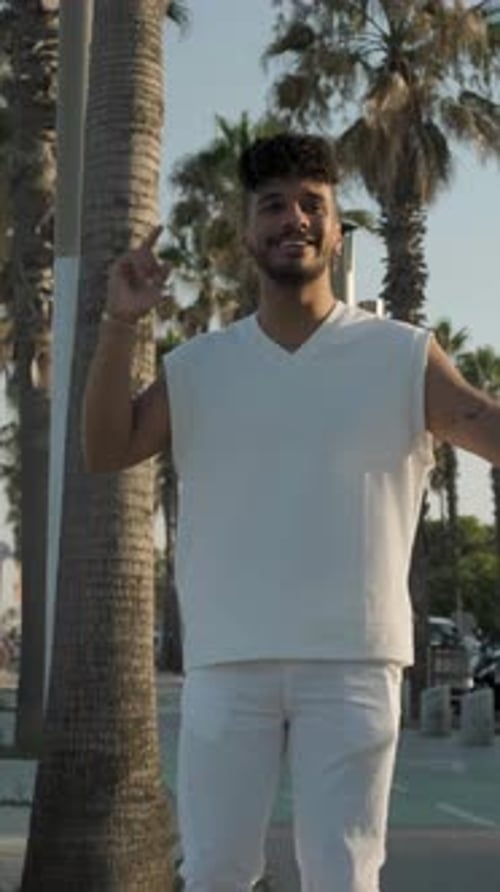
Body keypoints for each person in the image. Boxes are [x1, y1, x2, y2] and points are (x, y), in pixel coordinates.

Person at [83, 132, 500, 892]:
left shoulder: (403, 355)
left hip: (354, 658)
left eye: (313, 205)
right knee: (216, 871)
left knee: (343, 873)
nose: (293, 219)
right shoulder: (198, 366)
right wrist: (120, 323)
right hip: (227, 659)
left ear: (338, 232)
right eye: (272, 206)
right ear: (247, 232)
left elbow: (485, 425)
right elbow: (107, 448)